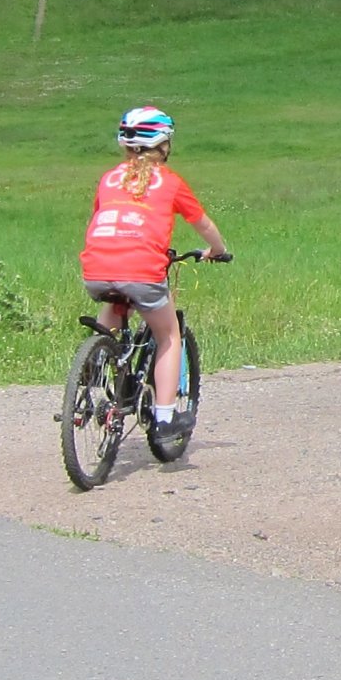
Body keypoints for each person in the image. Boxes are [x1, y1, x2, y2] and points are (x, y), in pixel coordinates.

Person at [80, 106, 229, 448]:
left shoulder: (109, 178)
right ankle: (164, 417)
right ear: (163, 145)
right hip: (142, 272)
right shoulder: (171, 182)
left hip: (96, 270)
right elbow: (202, 224)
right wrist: (217, 250)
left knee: (116, 306)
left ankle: (97, 360)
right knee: (169, 335)